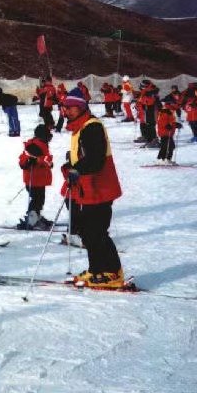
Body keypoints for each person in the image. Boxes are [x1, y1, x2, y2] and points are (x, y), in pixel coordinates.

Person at [59, 88, 125, 289]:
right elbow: (85, 154)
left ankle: (112, 272)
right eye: (65, 108)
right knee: (88, 232)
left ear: (81, 108)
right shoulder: (80, 126)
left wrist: (76, 169)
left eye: (71, 108)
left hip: (99, 187)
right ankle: (97, 269)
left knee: (96, 232)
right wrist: (72, 161)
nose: (66, 112)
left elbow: (95, 161)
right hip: (87, 187)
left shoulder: (92, 126)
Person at [17, 125, 54, 230]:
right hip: (33, 180)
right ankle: (32, 220)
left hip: (39, 180)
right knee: (36, 200)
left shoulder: (41, 144)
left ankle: (36, 216)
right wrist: (30, 162)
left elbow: (45, 159)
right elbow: (26, 159)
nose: (50, 138)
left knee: (39, 200)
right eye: (48, 135)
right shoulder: (36, 145)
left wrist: (47, 162)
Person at [155, 98, 182, 163]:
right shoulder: (166, 111)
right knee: (165, 146)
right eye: (175, 103)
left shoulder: (171, 111)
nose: (177, 105)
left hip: (169, 132)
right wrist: (166, 125)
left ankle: (167, 159)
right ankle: (161, 159)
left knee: (171, 146)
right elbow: (161, 121)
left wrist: (176, 125)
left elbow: (171, 122)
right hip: (164, 132)